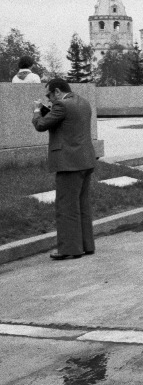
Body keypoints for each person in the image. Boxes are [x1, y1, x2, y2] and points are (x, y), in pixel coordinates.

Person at [32, 78, 97, 260]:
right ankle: (86, 245)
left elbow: (41, 125)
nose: (49, 99)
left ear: (58, 92)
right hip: (85, 160)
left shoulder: (62, 105)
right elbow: (62, 119)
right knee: (82, 205)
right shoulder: (82, 102)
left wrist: (37, 110)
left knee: (66, 207)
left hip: (69, 163)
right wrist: (48, 110)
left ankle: (69, 249)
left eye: (49, 95)